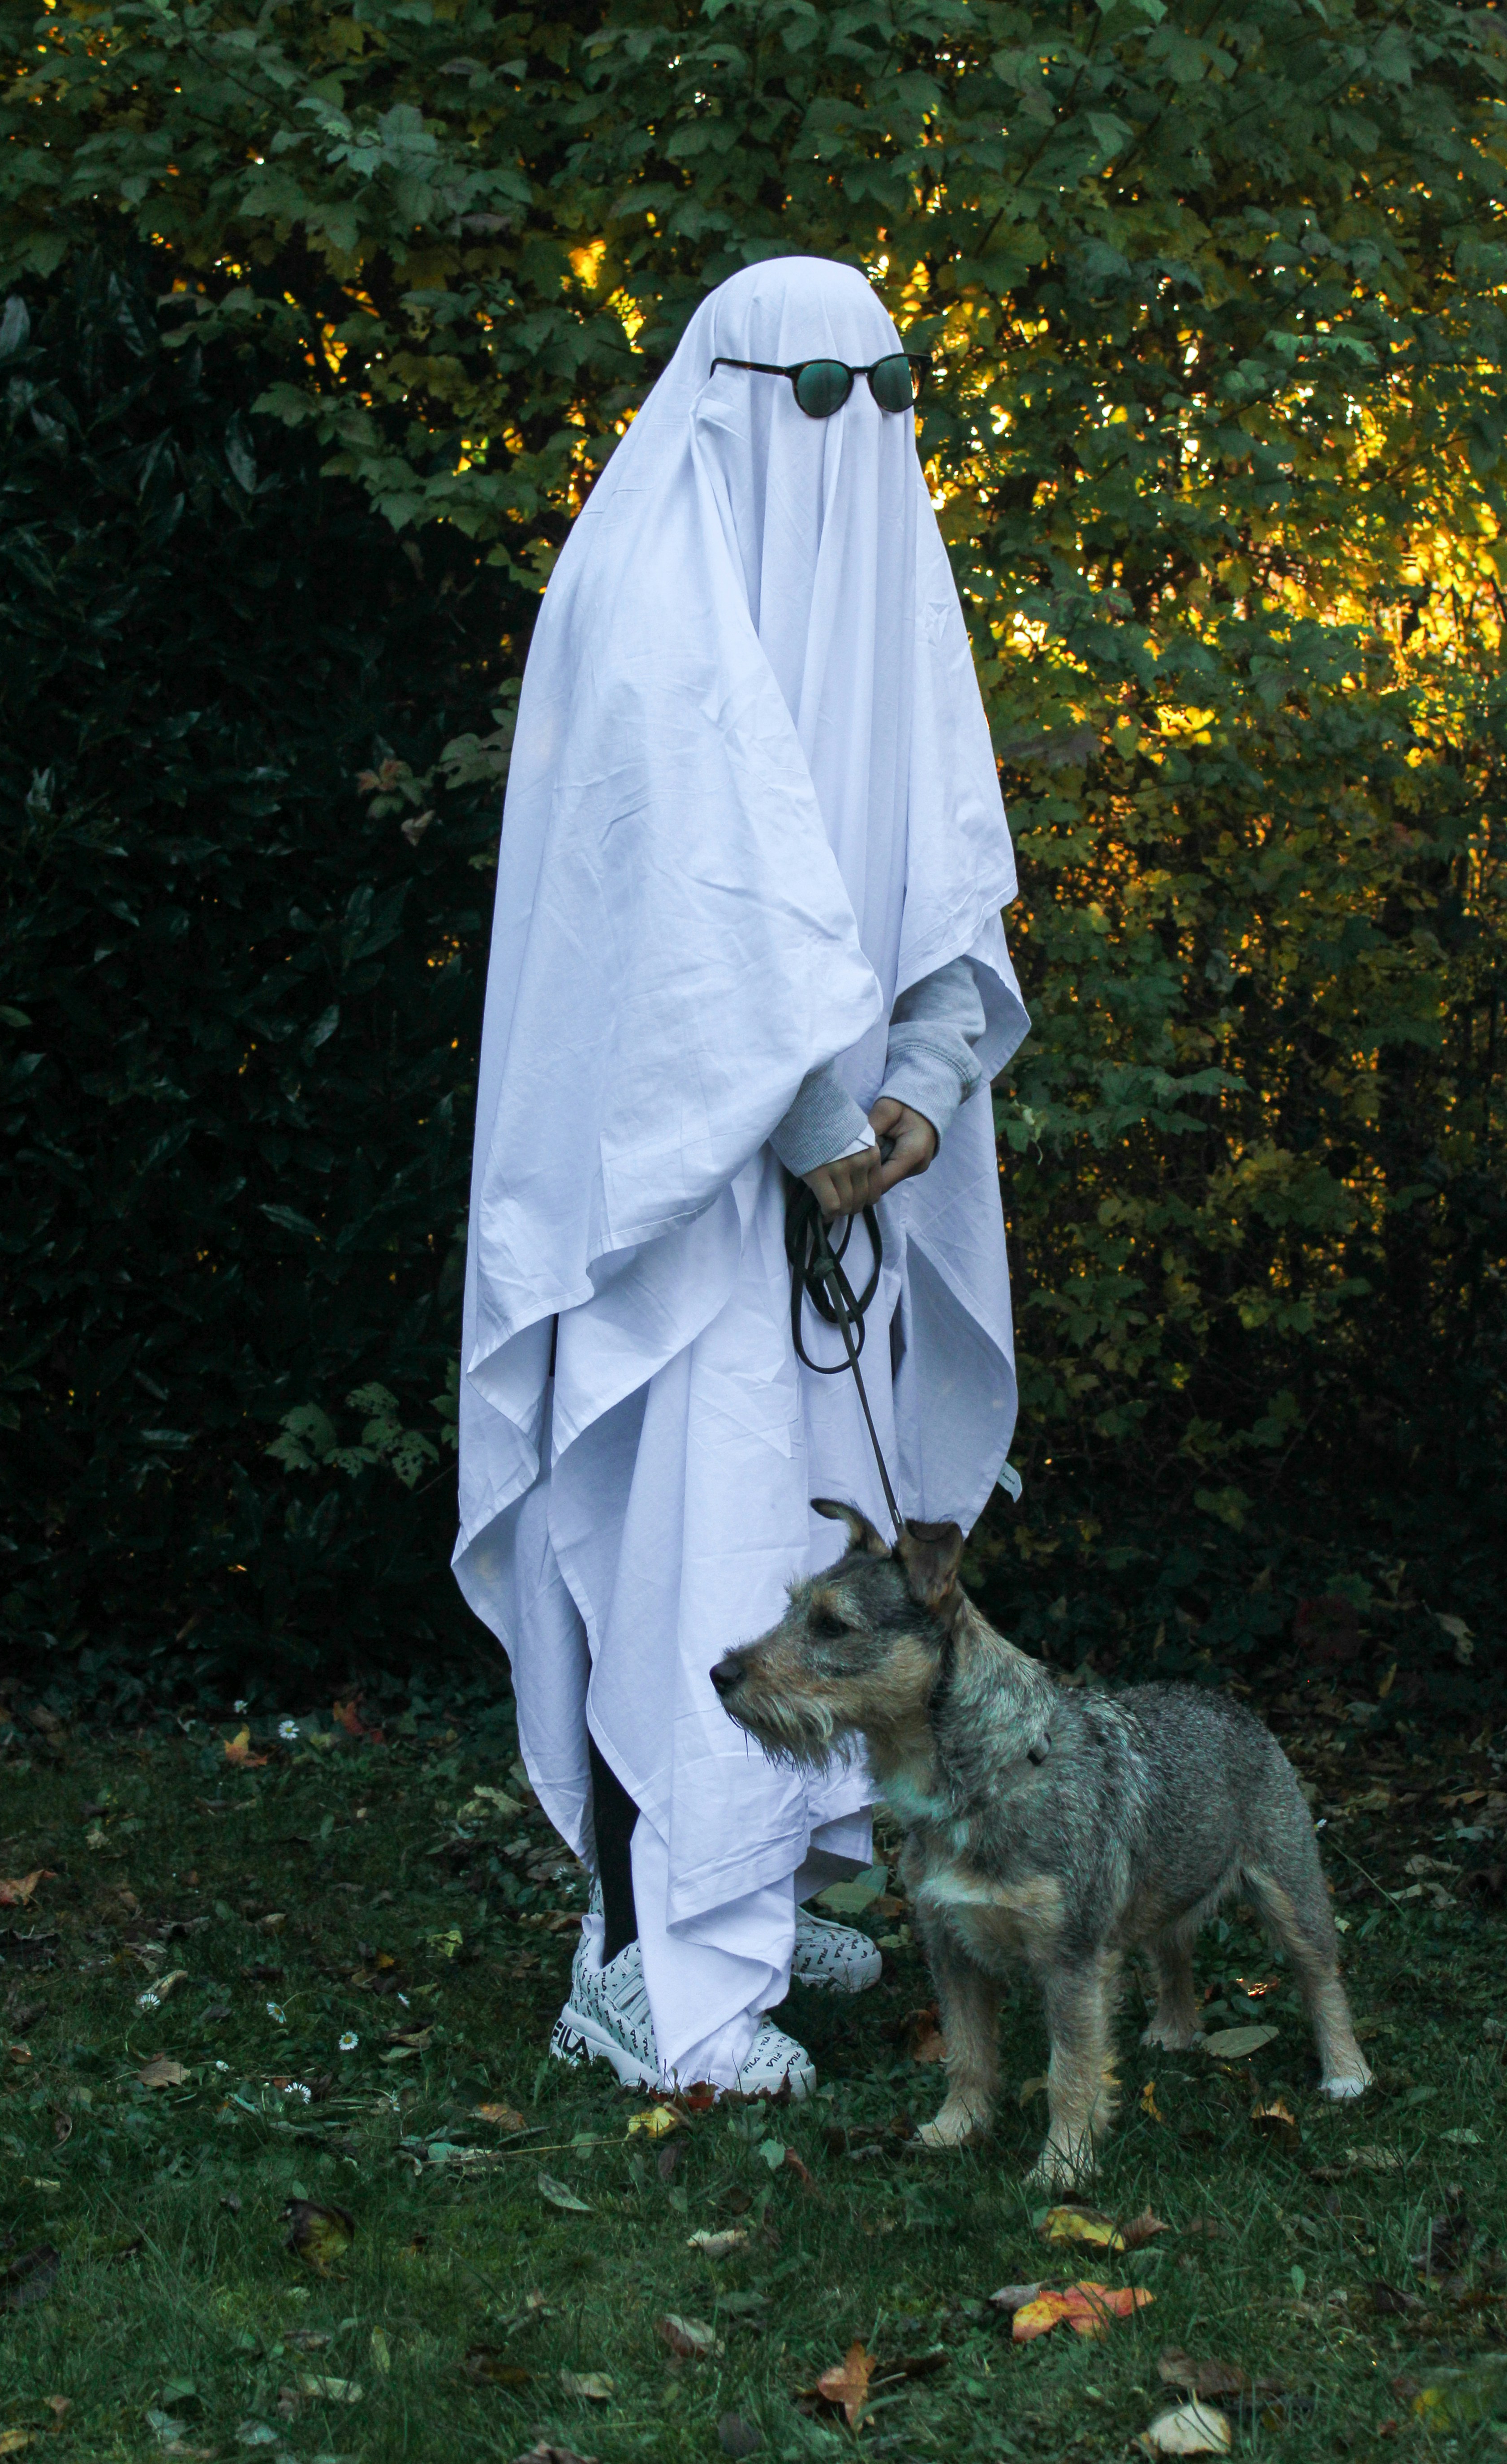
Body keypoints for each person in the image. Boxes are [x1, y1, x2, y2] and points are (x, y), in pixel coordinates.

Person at [452, 253, 1029, 2094]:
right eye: (812, 395)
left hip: (844, 1183)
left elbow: (946, 866)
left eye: (886, 390)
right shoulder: (640, 598)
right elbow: (682, 924)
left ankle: (754, 1883)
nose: (853, 437)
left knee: (808, 1551)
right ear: (728, 389)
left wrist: (921, 1093)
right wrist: (807, 1136)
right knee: (675, 1535)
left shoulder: (889, 585)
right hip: (672, 1216)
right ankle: (642, 1960)